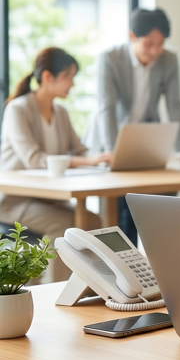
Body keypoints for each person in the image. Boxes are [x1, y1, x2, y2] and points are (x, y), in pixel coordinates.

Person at [0, 48, 112, 280]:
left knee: (94, 221)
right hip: (15, 200)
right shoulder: (18, 110)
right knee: (66, 224)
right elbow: (34, 159)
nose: (72, 84)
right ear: (48, 77)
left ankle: (93, 287)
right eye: (67, 77)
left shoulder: (60, 112)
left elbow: (81, 151)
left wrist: (103, 158)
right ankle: (55, 292)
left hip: (48, 198)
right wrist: (87, 160)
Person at [85, 8, 180, 244]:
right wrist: (113, 153)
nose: (155, 51)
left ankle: (153, 267)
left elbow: (175, 106)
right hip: (110, 141)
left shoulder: (169, 60)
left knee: (162, 200)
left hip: (145, 142)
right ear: (133, 36)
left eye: (160, 44)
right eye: (149, 44)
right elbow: (106, 108)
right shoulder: (110, 59)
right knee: (122, 212)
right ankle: (122, 271)